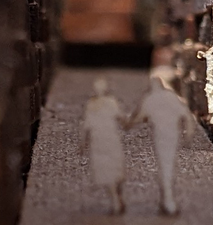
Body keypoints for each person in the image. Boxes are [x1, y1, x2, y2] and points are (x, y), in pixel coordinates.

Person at [137, 68, 191, 216]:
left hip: (165, 136)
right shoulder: (168, 98)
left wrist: (127, 123)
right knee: (167, 166)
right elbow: (186, 116)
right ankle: (167, 198)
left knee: (166, 166)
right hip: (169, 136)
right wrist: (188, 133)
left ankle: (168, 199)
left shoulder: (153, 98)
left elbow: (140, 117)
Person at [81, 76, 131, 214]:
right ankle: (116, 199)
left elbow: (86, 126)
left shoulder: (91, 105)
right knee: (115, 167)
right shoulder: (111, 102)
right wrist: (128, 124)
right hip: (110, 138)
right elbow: (121, 118)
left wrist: (83, 143)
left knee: (106, 169)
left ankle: (115, 198)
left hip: (98, 140)